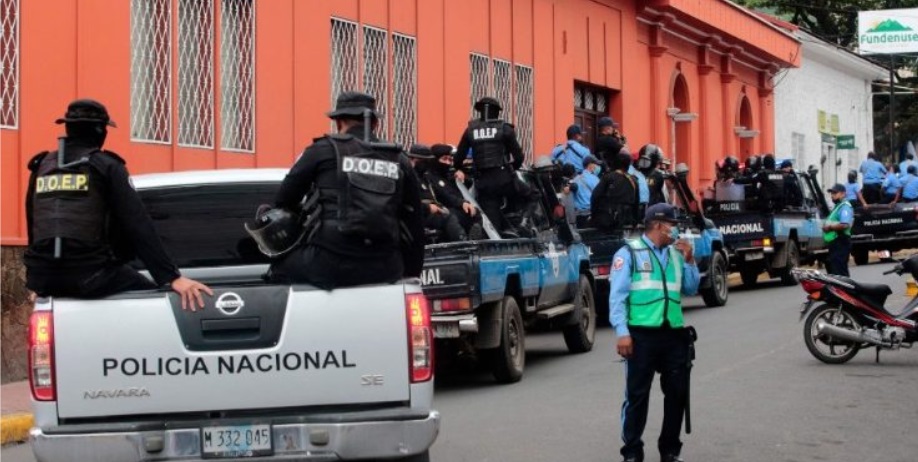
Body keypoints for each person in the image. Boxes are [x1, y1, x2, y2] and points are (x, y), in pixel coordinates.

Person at [24, 99, 212, 310]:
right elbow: (138, 224)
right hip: (92, 275)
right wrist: (171, 277)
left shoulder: (41, 167)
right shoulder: (106, 166)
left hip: (43, 278)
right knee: (154, 300)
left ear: (68, 128)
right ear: (99, 131)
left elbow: (34, 224)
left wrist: (39, 283)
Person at [268, 91, 424, 289]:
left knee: (278, 268)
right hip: (385, 267)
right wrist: (410, 274)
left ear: (339, 122)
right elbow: (415, 223)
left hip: (329, 264)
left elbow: (284, 200)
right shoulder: (399, 159)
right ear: (375, 123)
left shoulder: (322, 150)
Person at [610, 203, 700, 462]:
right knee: (637, 395)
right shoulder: (629, 253)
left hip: (673, 334)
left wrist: (690, 261)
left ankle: (670, 450)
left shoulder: (675, 254)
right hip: (640, 336)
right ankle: (632, 452)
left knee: (677, 394)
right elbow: (617, 297)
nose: (675, 229)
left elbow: (692, 288)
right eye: (672, 224)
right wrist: (622, 332)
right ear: (659, 225)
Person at [454, 96, 532, 236]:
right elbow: (519, 157)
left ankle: (497, 240)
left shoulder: (470, 130)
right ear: (496, 111)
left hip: (483, 183)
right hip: (504, 179)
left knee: (493, 226)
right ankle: (523, 223)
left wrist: (466, 170)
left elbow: (458, 159)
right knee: (533, 195)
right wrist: (511, 169)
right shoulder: (505, 129)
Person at [409, 144, 467, 242]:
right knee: (448, 218)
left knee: (458, 215)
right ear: (413, 160)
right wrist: (428, 207)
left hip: (431, 209)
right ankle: (463, 243)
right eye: (423, 161)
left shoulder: (424, 177)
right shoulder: (408, 176)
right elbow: (408, 201)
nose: (425, 164)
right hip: (418, 213)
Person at [429, 143, 481, 237]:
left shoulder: (447, 176)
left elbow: (460, 189)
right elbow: (446, 194)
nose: (448, 163)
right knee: (454, 216)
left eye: (450, 160)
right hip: (438, 210)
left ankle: (474, 239)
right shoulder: (430, 176)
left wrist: (462, 177)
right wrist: (461, 203)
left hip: (450, 208)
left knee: (474, 212)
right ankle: (462, 241)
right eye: (444, 159)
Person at [592, 148, 638, 231]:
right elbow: (636, 204)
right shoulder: (634, 180)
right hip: (626, 222)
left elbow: (595, 196)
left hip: (607, 222)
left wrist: (594, 216)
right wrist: (635, 222)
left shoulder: (608, 177)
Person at [823, 184, 854, 277]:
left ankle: (846, 290)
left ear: (843, 194)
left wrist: (830, 228)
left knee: (840, 270)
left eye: (835, 193)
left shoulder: (845, 207)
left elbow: (844, 225)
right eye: (831, 193)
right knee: (833, 269)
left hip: (841, 240)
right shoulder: (837, 206)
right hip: (835, 242)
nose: (832, 195)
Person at [571, 155, 602, 219]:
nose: (597, 167)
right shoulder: (595, 179)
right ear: (590, 165)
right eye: (596, 164)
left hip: (578, 215)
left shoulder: (575, 179)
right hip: (592, 214)